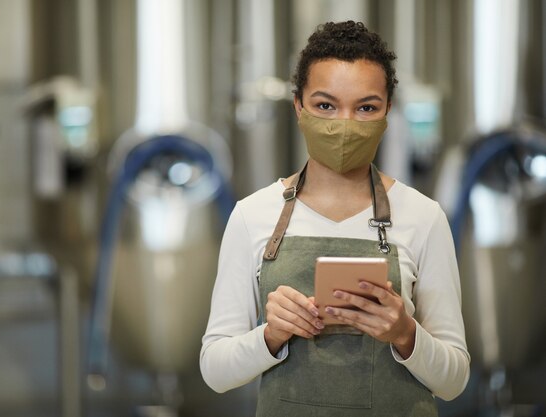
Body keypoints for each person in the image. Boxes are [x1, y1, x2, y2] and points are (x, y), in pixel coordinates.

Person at [200, 20, 470, 416]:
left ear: (387, 112)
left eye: (366, 107)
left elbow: (455, 380)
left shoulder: (424, 217)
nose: (344, 124)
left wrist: (405, 334)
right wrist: (271, 335)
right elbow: (215, 370)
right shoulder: (253, 215)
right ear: (298, 106)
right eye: (326, 105)